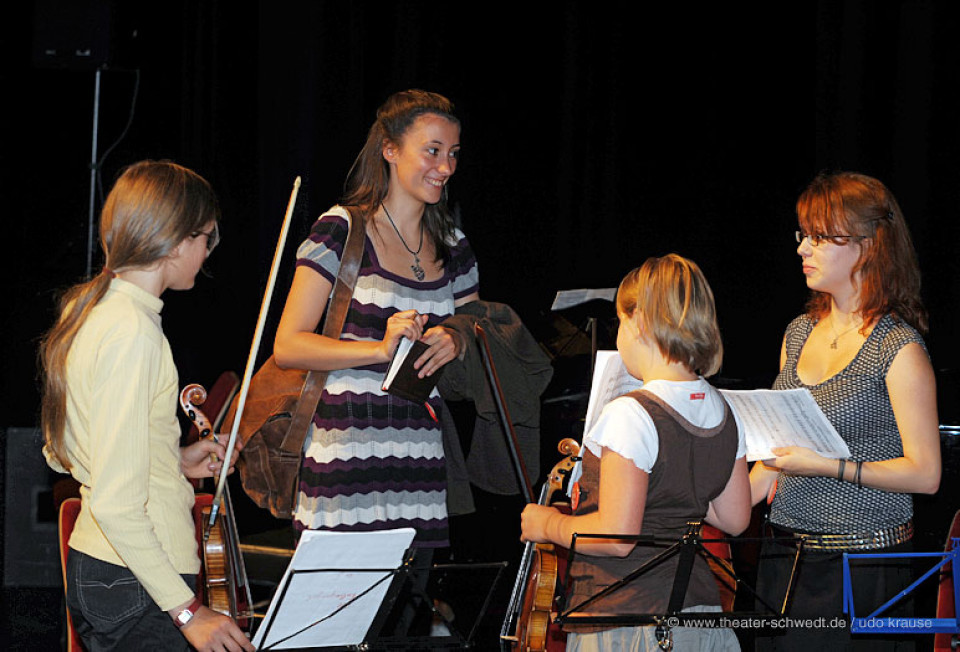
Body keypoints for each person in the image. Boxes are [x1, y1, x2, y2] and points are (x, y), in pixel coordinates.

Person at [40, 161, 254, 651]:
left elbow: (65, 449)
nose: (207, 251)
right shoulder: (134, 332)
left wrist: (171, 460)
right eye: (206, 237)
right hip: (136, 580)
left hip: (111, 573)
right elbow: (117, 503)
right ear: (177, 241)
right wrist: (187, 611)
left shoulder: (92, 310)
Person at [273, 89, 479, 548]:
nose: (445, 168)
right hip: (343, 468)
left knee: (408, 616)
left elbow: (474, 334)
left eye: (453, 154)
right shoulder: (341, 229)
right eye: (432, 151)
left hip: (422, 468)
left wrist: (459, 340)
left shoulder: (455, 246)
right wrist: (379, 350)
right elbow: (288, 346)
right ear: (390, 150)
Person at [520, 254, 751, 651]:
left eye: (621, 322)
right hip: (701, 618)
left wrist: (546, 525)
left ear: (640, 322)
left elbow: (617, 537)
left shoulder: (631, 411)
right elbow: (733, 518)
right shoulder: (724, 409)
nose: (619, 334)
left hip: (627, 622)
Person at [749, 171, 940, 650]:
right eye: (803, 236)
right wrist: (706, 500)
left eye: (818, 237)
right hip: (783, 558)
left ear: (867, 246)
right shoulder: (796, 333)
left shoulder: (897, 347)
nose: (802, 249)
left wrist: (827, 466)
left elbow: (926, 474)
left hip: (862, 569)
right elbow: (773, 457)